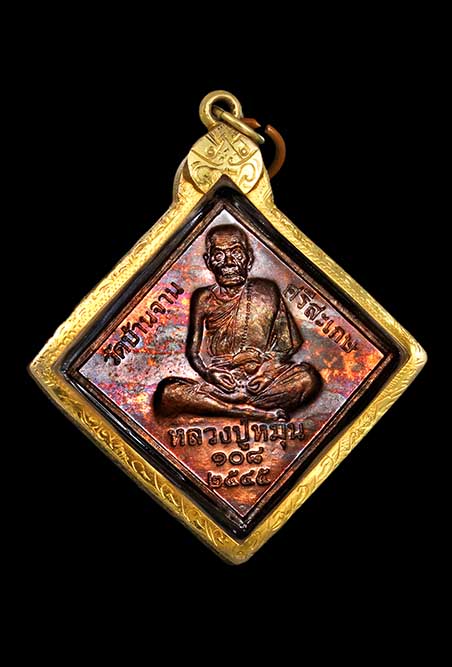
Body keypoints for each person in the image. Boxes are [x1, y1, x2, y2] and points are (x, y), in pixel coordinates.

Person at [154, 224, 320, 421]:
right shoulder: (203, 298)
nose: (229, 262)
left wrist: (265, 372)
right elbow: (193, 353)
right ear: (208, 261)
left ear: (249, 259)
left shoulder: (267, 290)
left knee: (308, 379)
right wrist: (209, 374)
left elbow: (288, 344)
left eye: (236, 253)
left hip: (261, 379)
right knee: (168, 392)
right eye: (219, 255)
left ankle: (231, 404)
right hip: (221, 381)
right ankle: (243, 411)